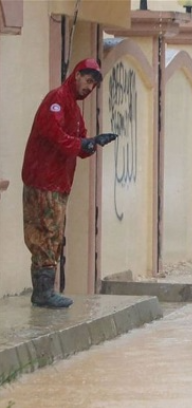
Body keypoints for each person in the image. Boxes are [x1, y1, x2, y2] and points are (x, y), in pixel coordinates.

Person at [21, 58, 118, 308]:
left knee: (52, 234)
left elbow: (79, 142)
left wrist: (93, 143)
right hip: (44, 181)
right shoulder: (57, 100)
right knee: (47, 233)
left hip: (57, 182)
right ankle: (44, 292)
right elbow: (55, 135)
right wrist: (81, 144)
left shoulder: (73, 108)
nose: (89, 87)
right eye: (88, 81)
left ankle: (43, 291)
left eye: (94, 84)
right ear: (76, 75)